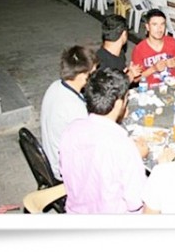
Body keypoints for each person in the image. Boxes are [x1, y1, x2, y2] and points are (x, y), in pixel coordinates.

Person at [59, 68, 149, 213]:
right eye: (126, 98)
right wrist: (137, 159)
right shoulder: (123, 146)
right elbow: (136, 201)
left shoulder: (71, 129)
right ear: (119, 103)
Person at [40, 46, 99, 180]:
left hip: (52, 157)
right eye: (92, 73)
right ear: (83, 76)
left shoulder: (55, 85)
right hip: (63, 171)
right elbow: (89, 148)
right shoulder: (74, 107)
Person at [131, 9, 175, 85]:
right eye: (155, 24)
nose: (159, 28)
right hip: (152, 88)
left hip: (173, 84)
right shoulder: (139, 49)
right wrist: (153, 69)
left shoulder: (171, 41)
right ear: (147, 27)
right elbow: (135, 79)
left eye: (162, 24)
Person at [96, 14, 142, 83]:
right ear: (124, 34)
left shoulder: (119, 53)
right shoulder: (102, 64)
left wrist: (128, 72)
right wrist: (130, 76)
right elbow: (110, 88)